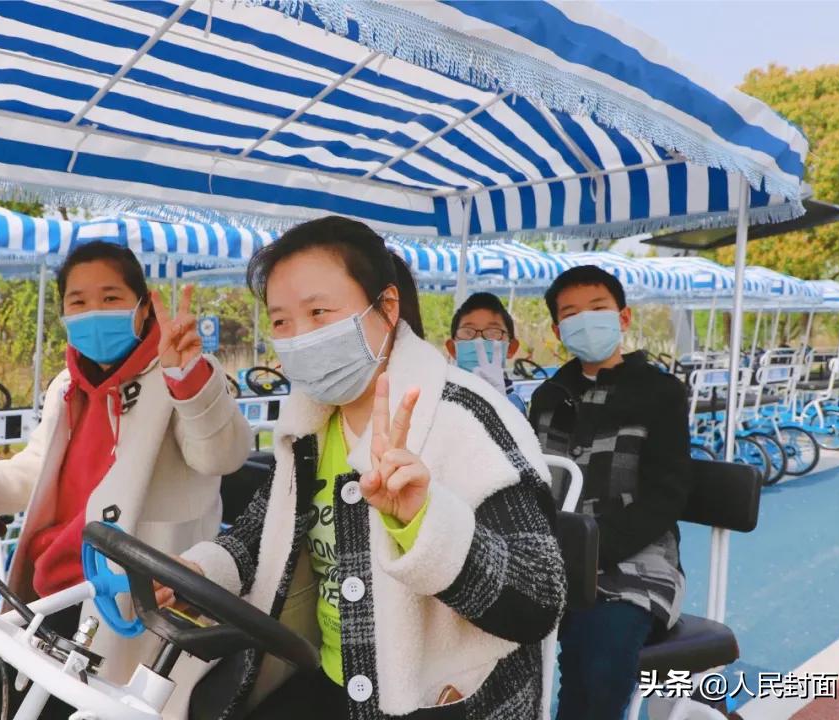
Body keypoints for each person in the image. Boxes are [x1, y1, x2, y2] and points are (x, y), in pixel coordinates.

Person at [166, 216, 566, 720]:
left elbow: (537, 596)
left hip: (438, 702)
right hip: (327, 677)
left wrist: (423, 519)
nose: (298, 338)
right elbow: (258, 535)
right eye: (282, 321)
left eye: (319, 312)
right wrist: (200, 570)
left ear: (387, 307)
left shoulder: (469, 419)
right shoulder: (307, 426)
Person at [0, 240, 253, 719]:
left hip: (124, 599)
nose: (93, 311)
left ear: (143, 308)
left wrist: (190, 378)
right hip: (49, 591)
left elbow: (221, 455)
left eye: (110, 297)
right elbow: (36, 469)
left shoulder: (180, 380)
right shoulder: (67, 386)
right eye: (77, 302)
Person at [529, 265, 692, 720]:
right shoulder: (549, 396)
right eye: (571, 314)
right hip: (554, 558)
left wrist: (593, 552)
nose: (585, 320)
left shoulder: (661, 392)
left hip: (637, 564)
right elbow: (535, 482)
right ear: (560, 330)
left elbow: (667, 493)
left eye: (597, 308)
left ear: (622, 318)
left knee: (601, 656)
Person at [445, 291, 527, 414]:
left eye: (493, 332)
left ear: (511, 348)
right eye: (468, 332)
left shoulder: (516, 405)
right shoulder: (438, 397)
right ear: (452, 348)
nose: (479, 340)